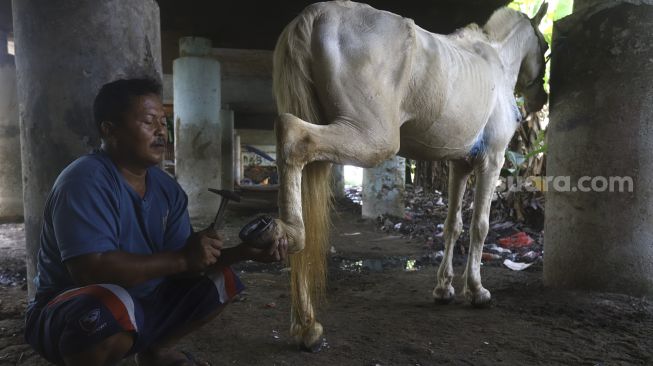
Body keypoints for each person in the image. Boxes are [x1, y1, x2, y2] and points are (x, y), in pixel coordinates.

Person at [24, 78, 287, 366]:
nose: (161, 131)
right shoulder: (84, 180)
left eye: (164, 122)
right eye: (149, 122)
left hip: (139, 300)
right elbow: (91, 271)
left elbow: (185, 267)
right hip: (70, 308)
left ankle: (157, 352)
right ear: (109, 130)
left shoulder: (167, 189)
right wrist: (184, 259)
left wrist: (242, 253)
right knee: (112, 303)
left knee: (220, 280)